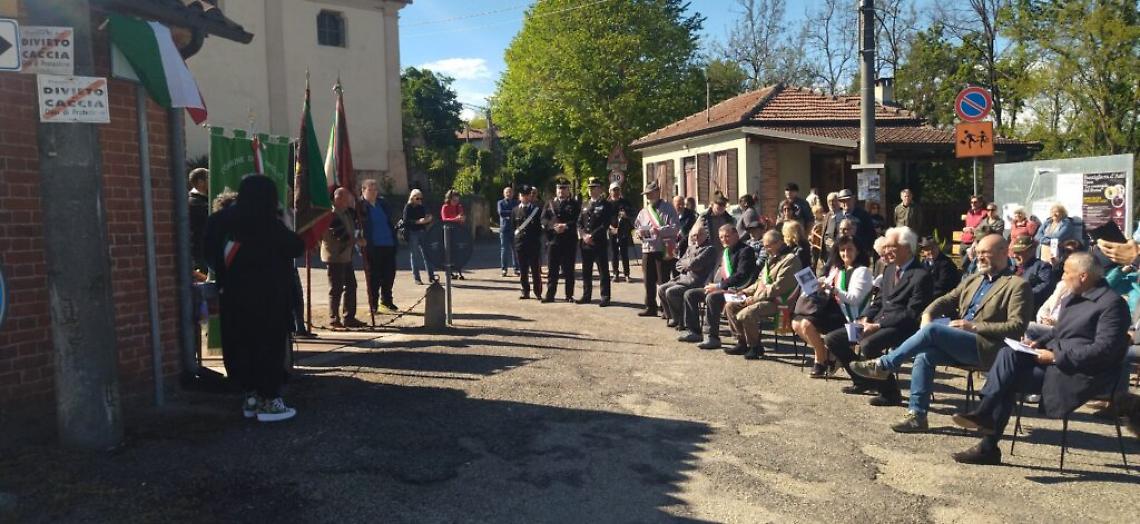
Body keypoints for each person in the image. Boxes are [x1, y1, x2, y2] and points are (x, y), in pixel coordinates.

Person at [949, 252, 1130, 465]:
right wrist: (1037, 342)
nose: (1062, 277)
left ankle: (987, 440)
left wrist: (1055, 357)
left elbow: (1104, 350)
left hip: (1081, 373)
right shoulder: (1074, 297)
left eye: (1066, 273)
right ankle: (985, 416)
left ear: (1083, 276)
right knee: (1007, 353)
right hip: (1057, 362)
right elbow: (1060, 331)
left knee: (1008, 378)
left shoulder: (1112, 305)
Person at [850, 234, 1033, 432]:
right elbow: (946, 300)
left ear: (1003, 252)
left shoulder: (1017, 285)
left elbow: (1017, 327)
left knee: (934, 330)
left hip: (988, 349)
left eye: (985, 253)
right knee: (925, 356)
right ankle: (917, 415)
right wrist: (928, 314)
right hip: (960, 343)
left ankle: (884, 365)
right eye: (978, 252)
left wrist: (973, 327)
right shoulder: (973, 280)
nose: (979, 257)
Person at [204, 175, 304, 422]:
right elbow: (295, 247)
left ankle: (250, 397)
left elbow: (208, 255)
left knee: (240, 345)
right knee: (268, 347)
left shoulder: (219, 220)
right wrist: (285, 222)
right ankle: (269, 401)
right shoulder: (268, 222)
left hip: (233, 294)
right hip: (270, 296)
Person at [823, 227, 932, 406]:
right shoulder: (890, 269)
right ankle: (861, 380)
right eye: (886, 247)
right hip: (877, 322)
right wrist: (866, 318)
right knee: (833, 338)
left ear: (907, 248)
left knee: (868, 344)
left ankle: (890, 393)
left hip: (901, 327)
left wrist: (878, 325)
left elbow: (911, 313)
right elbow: (879, 301)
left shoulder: (921, 275)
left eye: (891, 247)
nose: (886, 251)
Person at [794, 235, 872, 377]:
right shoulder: (838, 269)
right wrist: (816, 284)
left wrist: (833, 289)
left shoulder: (862, 271)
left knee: (806, 324)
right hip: (834, 312)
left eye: (850, 249)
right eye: (842, 250)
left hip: (852, 320)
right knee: (796, 322)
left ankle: (821, 360)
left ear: (858, 251)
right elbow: (827, 285)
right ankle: (825, 354)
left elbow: (854, 300)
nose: (845, 253)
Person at [724, 229, 802, 359]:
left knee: (747, 313)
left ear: (779, 243)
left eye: (768, 246)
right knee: (730, 306)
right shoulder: (772, 258)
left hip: (779, 301)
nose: (765, 249)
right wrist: (744, 292)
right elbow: (760, 282)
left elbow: (778, 287)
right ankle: (741, 342)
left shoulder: (790, 260)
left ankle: (755, 347)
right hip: (763, 297)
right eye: (764, 246)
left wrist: (754, 298)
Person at [679, 224, 757, 349]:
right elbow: (714, 271)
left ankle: (711, 337)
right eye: (721, 237)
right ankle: (694, 332)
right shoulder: (724, 252)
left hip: (738, 291)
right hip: (719, 288)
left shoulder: (746, 251)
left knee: (712, 298)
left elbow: (741, 275)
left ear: (736, 235)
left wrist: (719, 286)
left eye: (727, 236)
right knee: (690, 294)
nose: (724, 239)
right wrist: (709, 284)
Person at [658, 225, 718, 330]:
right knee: (661, 289)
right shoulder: (691, 248)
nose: (696, 237)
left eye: (699, 235)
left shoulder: (710, 249)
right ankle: (674, 317)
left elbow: (695, 264)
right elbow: (678, 264)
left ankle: (681, 320)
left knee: (671, 292)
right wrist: (687, 266)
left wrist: (687, 264)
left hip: (696, 282)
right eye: (694, 235)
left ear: (705, 235)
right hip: (682, 279)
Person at [321, 188, 364, 329]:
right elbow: (341, 235)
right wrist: (357, 241)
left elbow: (355, 226)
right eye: (346, 198)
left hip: (346, 256)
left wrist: (358, 237)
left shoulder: (347, 213)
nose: (349, 201)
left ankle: (349, 317)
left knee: (351, 285)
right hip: (335, 256)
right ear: (338, 198)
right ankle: (334, 318)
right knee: (336, 288)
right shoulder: (331, 215)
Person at [635, 181, 678, 316]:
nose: (648, 196)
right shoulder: (643, 211)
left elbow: (675, 228)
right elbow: (637, 227)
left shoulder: (669, 208)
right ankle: (650, 307)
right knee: (648, 280)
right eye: (646, 194)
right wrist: (639, 233)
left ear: (657, 192)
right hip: (647, 249)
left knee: (663, 280)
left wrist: (659, 230)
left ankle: (666, 309)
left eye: (650, 193)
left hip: (662, 249)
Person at [359, 179, 399, 314]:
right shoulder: (360, 206)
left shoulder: (382, 204)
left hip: (388, 244)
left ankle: (386, 300)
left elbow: (390, 221)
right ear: (363, 190)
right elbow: (356, 226)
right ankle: (373, 304)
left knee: (389, 275)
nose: (373, 192)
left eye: (375, 190)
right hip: (373, 246)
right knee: (374, 277)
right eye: (370, 190)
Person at [542, 179, 581, 303]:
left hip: (568, 241)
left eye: (564, 188)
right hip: (553, 241)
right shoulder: (550, 203)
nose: (561, 191)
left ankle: (569, 295)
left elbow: (578, 219)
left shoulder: (574, 204)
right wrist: (552, 226)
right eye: (559, 188)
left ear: (568, 190)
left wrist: (566, 226)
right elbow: (543, 219)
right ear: (556, 190)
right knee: (552, 270)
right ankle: (550, 295)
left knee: (569, 270)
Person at [577, 178, 613, 306]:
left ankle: (605, 296)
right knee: (586, 271)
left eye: (594, 188)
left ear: (600, 189)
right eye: (589, 188)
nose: (591, 190)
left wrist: (592, 236)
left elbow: (605, 224)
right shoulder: (585, 204)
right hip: (585, 243)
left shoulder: (606, 205)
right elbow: (579, 222)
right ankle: (586, 295)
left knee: (603, 270)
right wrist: (583, 235)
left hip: (599, 242)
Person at [513, 185, 544, 299]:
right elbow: (513, 227)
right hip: (520, 244)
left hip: (533, 244)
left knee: (535, 269)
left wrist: (535, 239)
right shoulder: (515, 210)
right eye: (522, 195)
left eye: (527, 195)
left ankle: (538, 292)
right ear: (519, 196)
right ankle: (525, 291)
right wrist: (516, 241)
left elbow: (540, 228)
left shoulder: (536, 210)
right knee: (523, 269)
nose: (525, 197)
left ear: (530, 196)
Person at [1010, 235, 1056, 311]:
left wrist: (1021, 295)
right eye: (1014, 252)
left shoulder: (1042, 267)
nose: (1015, 256)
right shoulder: (1011, 270)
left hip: (1028, 309)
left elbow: (1045, 287)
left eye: (1019, 252)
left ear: (1031, 251)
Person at [402, 189, 436, 285]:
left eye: (421, 198)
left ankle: (431, 276)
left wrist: (428, 219)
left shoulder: (422, 207)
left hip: (422, 231)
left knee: (427, 254)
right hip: (413, 232)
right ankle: (417, 278)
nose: (419, 200)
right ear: (412, 198)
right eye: (417, 198)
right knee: (415, 256)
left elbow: (425, 218)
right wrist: (417, 222)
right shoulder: (408, 207)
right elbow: (406, 221)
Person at [608, 183, 635, 282]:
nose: (616, 192)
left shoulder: (625, 202)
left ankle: (627, 274)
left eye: (617, 190)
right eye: (614, 190)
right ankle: (615, 274)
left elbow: (633, 213)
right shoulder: (607, 204)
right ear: (610, 191)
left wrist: (626, 215)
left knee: (624, 253)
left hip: (623, 231)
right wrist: (610, 227)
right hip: (612, 231)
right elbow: (603, 218)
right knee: (614, 253)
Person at [835, 189, 874, 256]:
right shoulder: (837, 217)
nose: (846, 203)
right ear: (839, 203)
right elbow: (834, 234)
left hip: (859, 252)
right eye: (842, 201)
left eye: (848, 200)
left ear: (853, 199)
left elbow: (871, 234)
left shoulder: (863, 215)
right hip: (842, 253)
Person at [440, 190, 467, 280]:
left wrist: (462, 219)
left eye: (457, 200)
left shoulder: (459, 207)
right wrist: (455, 219)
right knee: (448, 252)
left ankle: (459, 271)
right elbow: (444, 219)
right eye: (454, 200)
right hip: (448, 232)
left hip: (457, 231)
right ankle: (449, 272)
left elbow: (461, 218)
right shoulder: (445, 207)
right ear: (449, 199)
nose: (456, 202)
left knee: (458, 252)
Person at [188, 167, 210, 273]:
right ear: (201, 182)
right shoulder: (195, 203)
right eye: (209, 178)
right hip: (199, 254)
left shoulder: (201, 201)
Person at [497, 186, 519, 277]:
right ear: (504, 194)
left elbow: (517, 213)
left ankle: (516, 269)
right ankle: (504, 269)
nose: (508, 194)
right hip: (504, 229)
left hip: (514, 229)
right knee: (504, 250)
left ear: (513, 194)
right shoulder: (500, 203)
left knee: (515, 250)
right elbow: (501, 213)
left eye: (510, 192)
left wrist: (510, 213)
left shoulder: (516, 203)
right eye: (507, 192)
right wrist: (512, 213)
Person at [960, 195, 987, 266]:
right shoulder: (969, 212)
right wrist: (965, 229)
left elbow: (984, 230)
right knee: (964, 267)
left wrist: (972, 229)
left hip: (973, 243)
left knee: (966, 265)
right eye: (971, 202)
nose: (973, 204)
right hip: (964, 241)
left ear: (981, 203)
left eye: (975, 202)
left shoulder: (984, 214)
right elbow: (967, 225)